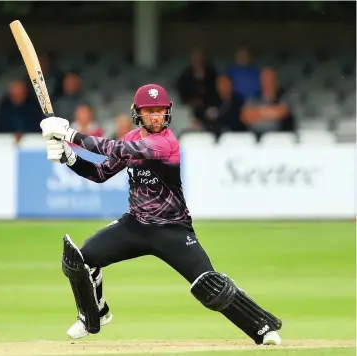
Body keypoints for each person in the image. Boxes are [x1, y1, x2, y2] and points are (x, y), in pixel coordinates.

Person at [39, 84, 283, 346]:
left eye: (160, 111)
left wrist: (70, 134)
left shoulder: (165, 143)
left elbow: (118, 150)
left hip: (172, 230)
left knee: (209, 286)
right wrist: (69, 158)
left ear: (167, 113)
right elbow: (100, 174)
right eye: (149, 111)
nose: (155, 117)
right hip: (135, 225)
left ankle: (262, 327)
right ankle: (94, 315)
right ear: (138, 113)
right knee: (80, 260)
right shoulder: (132, 138)